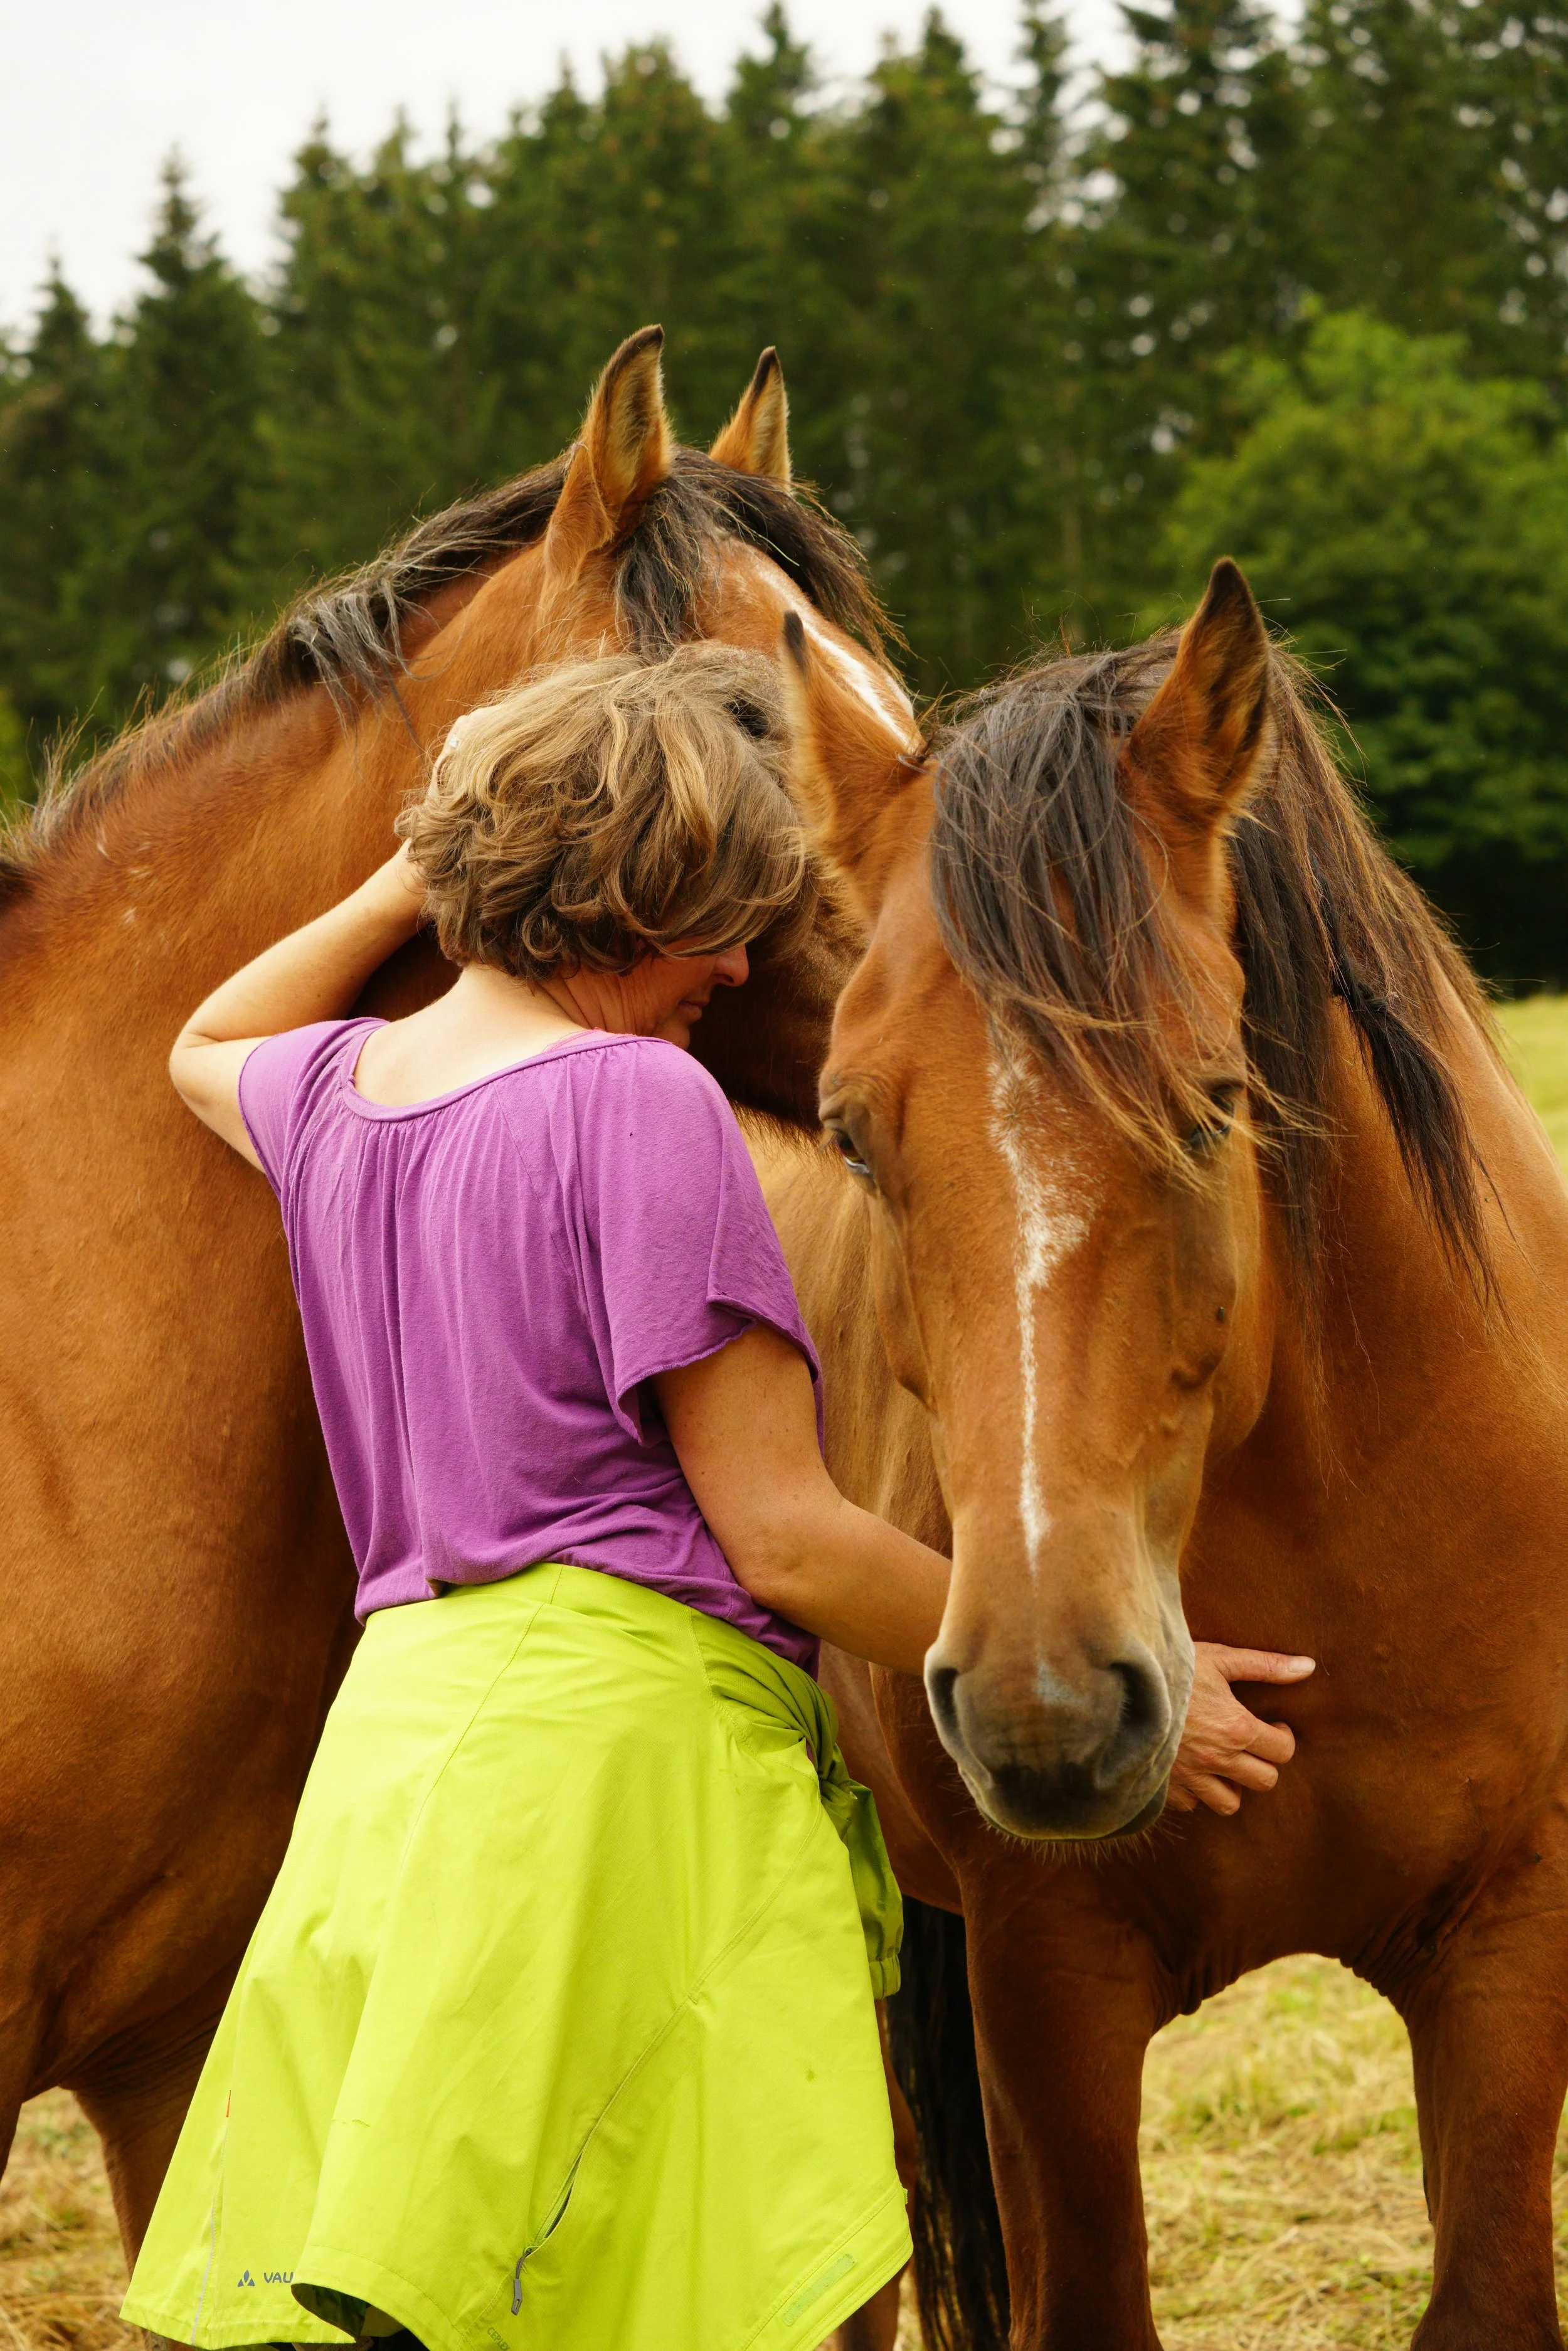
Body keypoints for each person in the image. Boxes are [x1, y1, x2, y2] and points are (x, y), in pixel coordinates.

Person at [122, 643, 1311, 2351]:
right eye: (713, 916)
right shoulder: (637, 1102)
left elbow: (206, 1035)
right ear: (618, 904)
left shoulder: (336, 1100)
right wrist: (1162, 1687)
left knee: (458, 2275)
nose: (743, 965)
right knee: (728, 2281)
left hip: (398, 1758)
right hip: (624, 1768)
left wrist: (418, 865)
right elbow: (786, 1536)